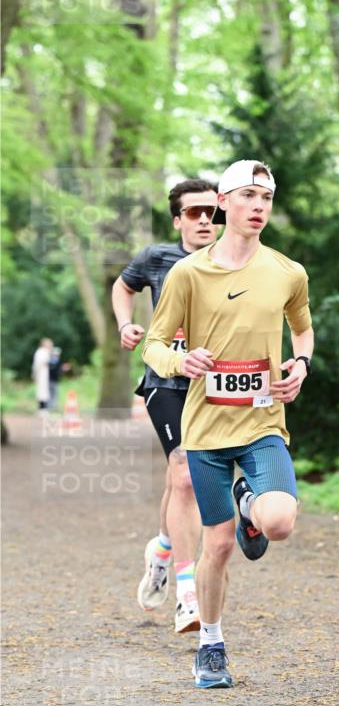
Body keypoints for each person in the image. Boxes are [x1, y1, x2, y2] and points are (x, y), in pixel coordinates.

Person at [142, 160, 313, 688]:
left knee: (280, 522)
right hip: (206, 431)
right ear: (223, 201)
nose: (258, 206)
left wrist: (300, 367)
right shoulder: (188, 273)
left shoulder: (288, 272)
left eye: (266, 197)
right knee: (216, 545)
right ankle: (210, 644)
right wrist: (180, 361)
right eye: (247, 196)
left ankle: (251, 508)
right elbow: (153, 343)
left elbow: (302, 334)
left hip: (263, 421)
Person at [111, 179, 222, 634]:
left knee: (182, 484)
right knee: (182, 473)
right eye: (193, 213)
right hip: (167, 380)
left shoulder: (236, 262)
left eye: (211, 212)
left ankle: (161, 549)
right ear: (178, 220)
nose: (203, 220)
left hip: (218, 385)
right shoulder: (157, 258)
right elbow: (123, 286)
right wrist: (126, 325)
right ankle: (187, 593)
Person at [32, 338, 52, 411]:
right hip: (41, 374)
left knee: (44, 391)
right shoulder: (41, 352)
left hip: (44, 373)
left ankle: (44, 407)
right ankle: (42, 408)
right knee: (41, 391)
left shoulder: (44, 352)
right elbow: (38, 364)